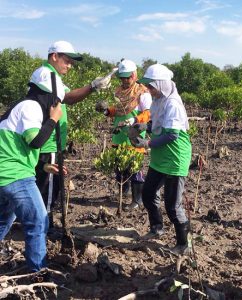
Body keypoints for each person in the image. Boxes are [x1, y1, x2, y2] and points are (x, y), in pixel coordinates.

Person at [34, 41, 112, 226]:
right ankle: (44, 227)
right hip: (49, 144)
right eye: (67, 61)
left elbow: (68, 96)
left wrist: (92, 86)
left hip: (52, 143)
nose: (69, 66)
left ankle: (40, 224)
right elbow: (68, 98)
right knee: (47, 191)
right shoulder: (47, 75)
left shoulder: (52, 77)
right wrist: (93, 86)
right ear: (54, 56)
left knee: (47, 189)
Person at [0, 72, 65, 272]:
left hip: (7, 173)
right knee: (38, 220)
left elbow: (17, 148)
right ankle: (39, 276)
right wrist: (53, 119)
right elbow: (36, 141)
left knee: (2, 221)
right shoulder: (31, 106)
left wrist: (42, 166)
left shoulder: (20, 107)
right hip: (14, 176)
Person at [130, 64, 192, 255]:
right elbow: (157, 124)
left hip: (174, 158)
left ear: (162, 84)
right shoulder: (158, 100)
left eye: (152, 86)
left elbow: (172, 135)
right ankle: (157, 228)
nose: (149, 89)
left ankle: (184, 245)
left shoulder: (173, 103)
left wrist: (146, 144)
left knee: (173, 205)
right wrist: (142, 126)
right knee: (148, 195)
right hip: (160, 157)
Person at [96, 59, 152, 211]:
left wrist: (134, 119)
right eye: (122, 77)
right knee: (120, 168)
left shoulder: (142, 92)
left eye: (127, 77)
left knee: (135, 169)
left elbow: (147, 114)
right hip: (118, 135)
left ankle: (137, 200)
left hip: (134, 137)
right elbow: (116, 110)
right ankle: (124, 192)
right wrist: (106, 111)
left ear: (134, 75)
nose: (124, 80)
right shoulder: (118, 91)